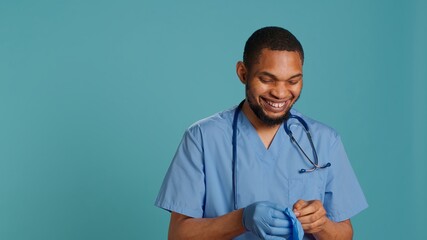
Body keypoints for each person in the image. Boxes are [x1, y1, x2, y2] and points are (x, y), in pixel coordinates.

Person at [155, 26, 368, 240]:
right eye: (267, 80)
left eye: (293, 81)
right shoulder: (202, 138)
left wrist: (320, 225)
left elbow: (345, 234)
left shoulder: (325, 140)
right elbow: (178, 235)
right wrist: (241, 219)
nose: (280, 93)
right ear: (243, 73)